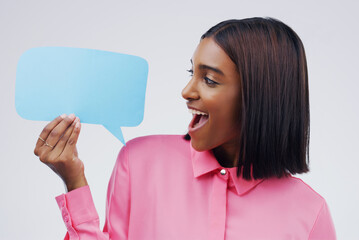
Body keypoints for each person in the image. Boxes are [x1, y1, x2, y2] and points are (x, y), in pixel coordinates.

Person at [34, 17, 336, 239]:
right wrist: (74, 181)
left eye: (210, 80)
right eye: (193, 72)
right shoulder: (139, 162)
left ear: (259, 97)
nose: (187, 91)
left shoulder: (310, 214)